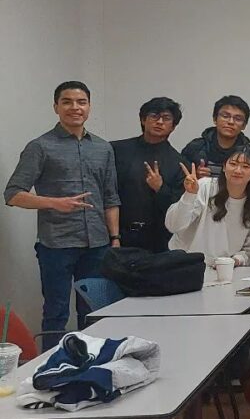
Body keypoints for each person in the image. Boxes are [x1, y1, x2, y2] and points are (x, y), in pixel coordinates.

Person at [5, 81, 120, 347]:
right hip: (56, 245)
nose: (75, 108)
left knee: (94, 312)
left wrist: (114, 238)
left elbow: (110, 197)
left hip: (97, 244)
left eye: (81, 102)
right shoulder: (40, 146)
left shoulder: (103, 148)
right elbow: (12, 194)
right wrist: (55, 203)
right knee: (56, 313)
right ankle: (52, 371)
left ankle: (90, 363)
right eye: (67, 102)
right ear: (56, 106)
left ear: (89, 107)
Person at [166, 145, 250, 266]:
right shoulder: (204, 187)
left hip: (224, 270)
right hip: (184, 264)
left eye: (245, 166)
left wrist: (235, 261)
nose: (238, 170)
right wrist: (189, 195)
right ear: (224, 167)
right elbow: (174, 225)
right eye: (233, 164)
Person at [111, 97, 185, 253]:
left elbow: (180, 209)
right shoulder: (117, 150)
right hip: (118, 236)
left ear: (173, 126)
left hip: (158, 241)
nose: (159, 122)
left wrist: (160, 188)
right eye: (154, 116)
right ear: (143, 120)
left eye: (166, 118)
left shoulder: (179, 163)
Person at [181, 95, 250, 179]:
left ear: (244, 125)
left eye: (238, 118)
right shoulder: (195, 148)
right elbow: (178, 183)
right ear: (215, 119)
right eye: (225, 116)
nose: (231, 122)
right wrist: (196, 177)